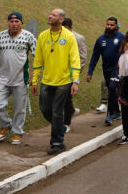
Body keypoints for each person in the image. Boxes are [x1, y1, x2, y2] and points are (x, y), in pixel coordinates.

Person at [31, 8, 81, 156]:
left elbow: (74, 60)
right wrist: (34, 81)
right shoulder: (43, 36)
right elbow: (38, 59)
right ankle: (60, 128)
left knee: (57, 111)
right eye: (50, 13)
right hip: (47, 80)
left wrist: (75, 81)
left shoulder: (69, 37)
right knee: (45, 110)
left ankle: (57, 143)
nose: (49, 15)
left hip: (64, 81)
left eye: (53, 15)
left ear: (61, 20)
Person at [0, 12, 37, 146]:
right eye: (11, 21)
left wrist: (33, 76)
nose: (14, 24)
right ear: (8, 22)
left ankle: (17, 132)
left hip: (20, 79)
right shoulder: (1, 35)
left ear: (21, 23)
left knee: (20, 108)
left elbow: (38, 56)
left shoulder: (28, 36)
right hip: (2, 78)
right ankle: (6, 124)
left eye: (17, 21)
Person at [87, 17, 125, 125]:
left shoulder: (121, 37)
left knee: (112, 87)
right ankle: (117, 112)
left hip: (118, 68)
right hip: (106, 69)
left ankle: (109, 114)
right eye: (107, 24)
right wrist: (90, 72)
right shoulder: (100, 40)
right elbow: (95, 57)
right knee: (111, 89)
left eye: (111, 25)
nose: (109, 27)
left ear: (116, 26)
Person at [62, 18, 87, 133]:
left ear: (70, 27)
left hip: (72, 74)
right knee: (64, 98)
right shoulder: (59, 37)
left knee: (67, 97)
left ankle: (66, 123)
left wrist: (75, 73)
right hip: (59, 73)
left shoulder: (79, 38)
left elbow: (83, 57)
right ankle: (71, 110)